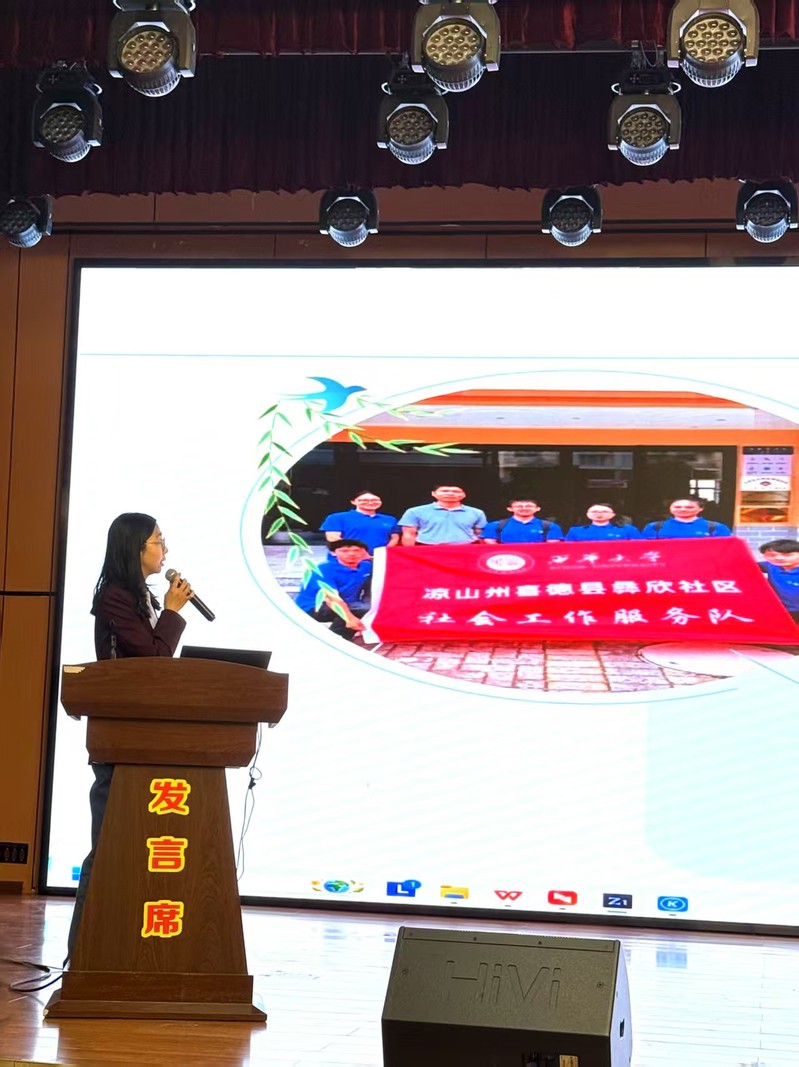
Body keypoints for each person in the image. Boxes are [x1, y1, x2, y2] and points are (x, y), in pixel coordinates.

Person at [66, 513, 194, 960]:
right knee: (106, 849)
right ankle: (80, 956)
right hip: (119, 737)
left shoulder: (142, 596)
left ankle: (123, 953)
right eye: (159, 541)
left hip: (143, 738)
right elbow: (150, 660)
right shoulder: (115, 597)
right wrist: (173, 612)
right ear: (135, 548)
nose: (165, 550)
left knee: (133, 848)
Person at [294, 538, 372, 640]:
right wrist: (350, 619)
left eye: (357, 550)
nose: (351, 554)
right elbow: (331, 598)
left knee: (367, 608)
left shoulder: (366, 566)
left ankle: (345, 639)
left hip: (350, 604)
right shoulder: (324, 569)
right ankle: (332, 640)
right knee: (359, 610)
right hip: (315, 606)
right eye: (344, 551)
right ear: (333, 553)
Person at [398, 485, 487, 546]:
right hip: (427, 548)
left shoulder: (476, 512)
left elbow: (480, 534)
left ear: (464, 495)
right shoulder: (415, 511)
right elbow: (409, 534)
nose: (450, 493)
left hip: (465, 549)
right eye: (444, 491)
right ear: (433, 493)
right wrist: (410, 553)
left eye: (456, 491)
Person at [319, 491, 399, 557]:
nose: (370, 502)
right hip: (346, 558)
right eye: (364, 500)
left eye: (375, 500)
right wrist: (356, 552)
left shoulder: (390, 519)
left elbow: (394, 538)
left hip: (380, 559)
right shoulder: (336, 517)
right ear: (353, 502)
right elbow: (333, 538)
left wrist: (382, 553)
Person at [641, 497, 732, 539]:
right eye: (677, 507)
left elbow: (725, 549)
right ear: (669, 508)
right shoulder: (655, 527)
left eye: (689, 507)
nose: (683, 509)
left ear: (700, 509)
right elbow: (646, 549)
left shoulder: (716, 527)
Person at [481, 498, 564, 544]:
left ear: (537, 509)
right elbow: (490, 542)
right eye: (519, 506)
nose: (524, 509)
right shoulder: (495, 525)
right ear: (510, 509)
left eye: (529, 506)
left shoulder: (550, 526)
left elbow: (552, 545)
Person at [758, 540, 799, 622]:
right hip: (778, 610)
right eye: (772, 555)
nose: (779, 558)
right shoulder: (770, 566)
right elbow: (742, 565)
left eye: (788, 555)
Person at [565, 503, 642, 542]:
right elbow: (568, 550)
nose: (599, 514)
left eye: (604, 512)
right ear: (587, 514)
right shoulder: (575, 531)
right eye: (594, 512)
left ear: (613, 514)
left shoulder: (628, 529)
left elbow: (640, 547)